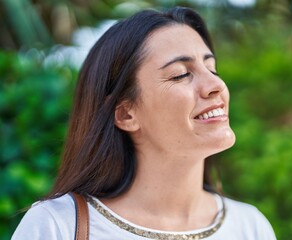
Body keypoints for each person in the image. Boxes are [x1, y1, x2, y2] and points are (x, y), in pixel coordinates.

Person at [12, 6, 276, 240]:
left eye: (212, 69)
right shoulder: (57, 226)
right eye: (181, 74)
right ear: (126, 114)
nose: (216, 85)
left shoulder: (249, 227)